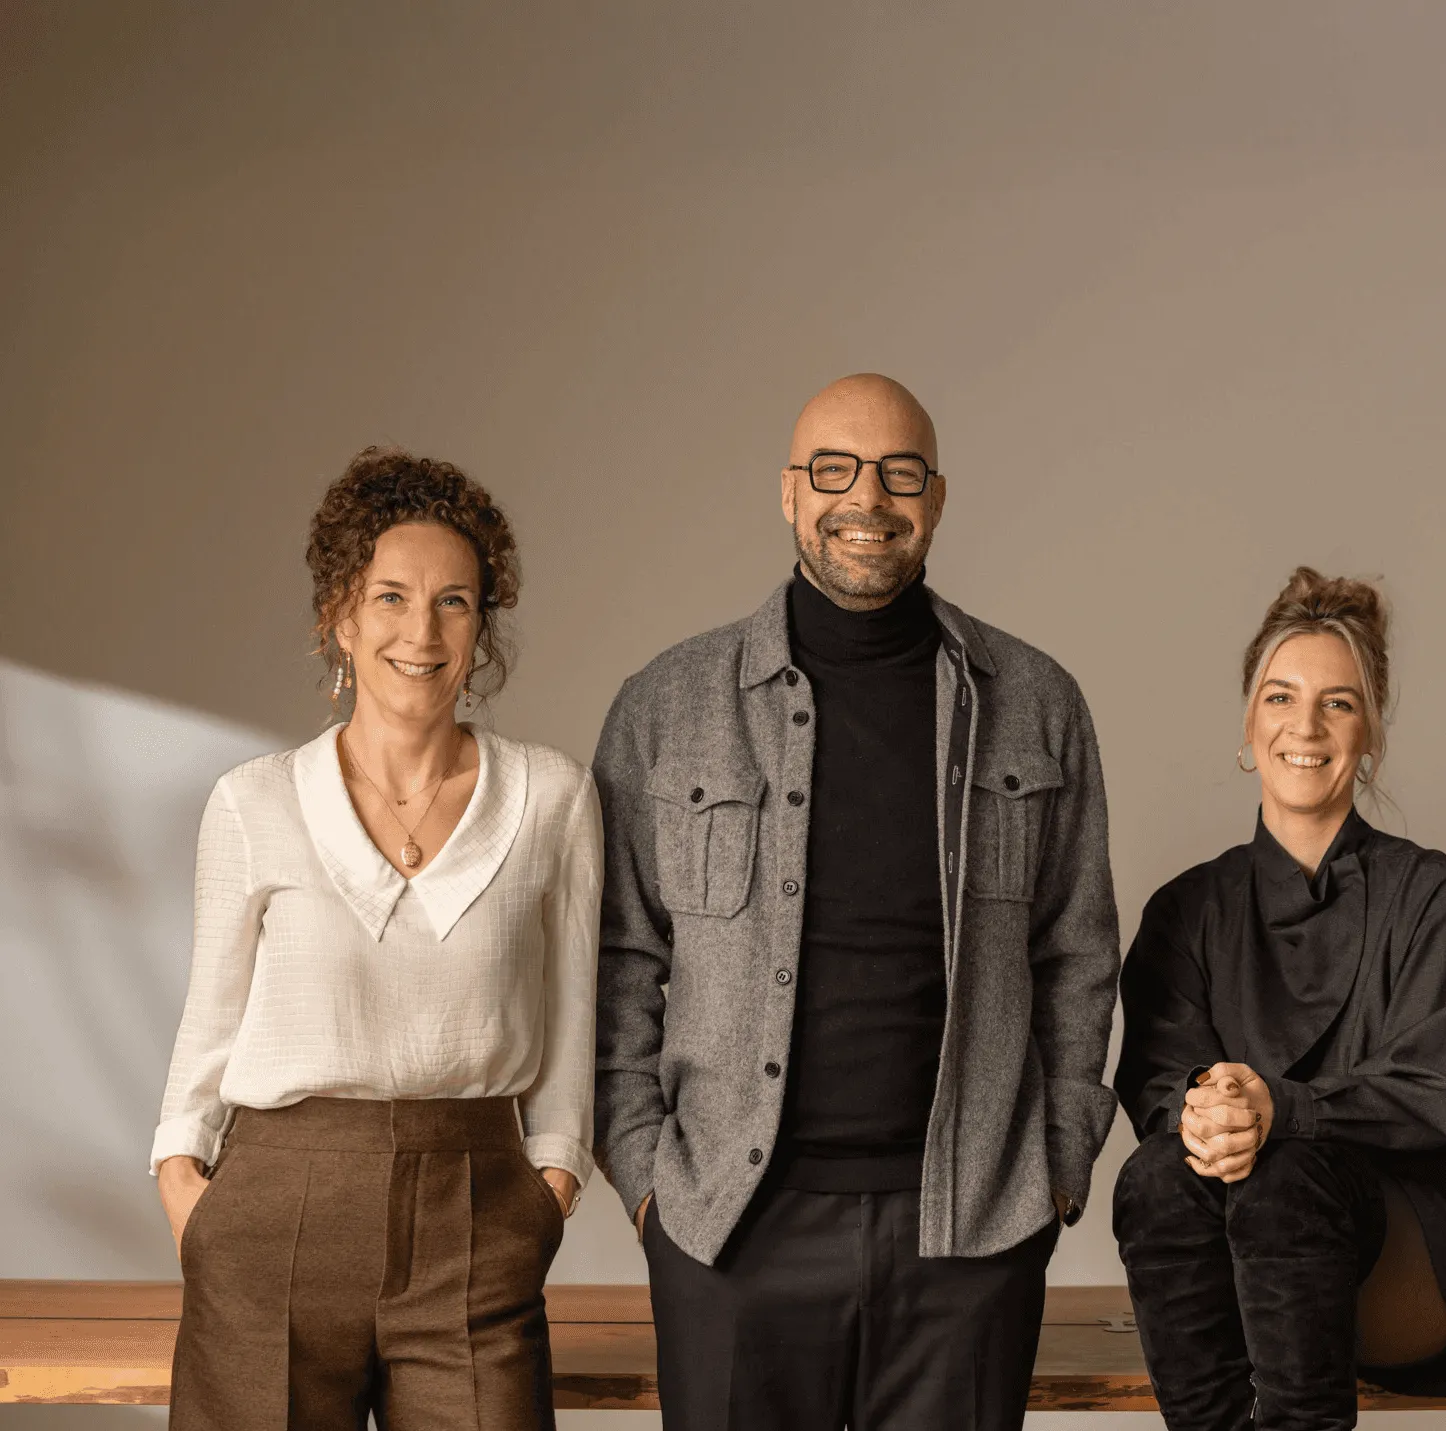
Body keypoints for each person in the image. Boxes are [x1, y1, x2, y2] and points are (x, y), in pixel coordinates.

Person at [591, 373, 1121, 1430]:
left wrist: (1057, 1168)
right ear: (788, 492)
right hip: (732, 1232)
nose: (865, 500)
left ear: (935, 495)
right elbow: (616, 958)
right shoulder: (667, 705)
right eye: (832, 469)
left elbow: (1077, 950)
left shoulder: (1034, 701)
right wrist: (649, 1181)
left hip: (968, 1231)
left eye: (898, 471)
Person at [151, 448, 601, 1431]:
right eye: (390, 597)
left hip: (478, 1217)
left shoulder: (553, 799)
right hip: (274, 1216)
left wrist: (553, 1180)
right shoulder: (252, 804)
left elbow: (574, 1018)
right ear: (340, 617)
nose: (421, 631)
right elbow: (210, 1019)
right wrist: (187, 1185)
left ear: (482, 624)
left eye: (454, 601)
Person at [1112, 567, 1446, 1430]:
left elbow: (1437, 1096)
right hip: (1238, 1247)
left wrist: (1277, 1106)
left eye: (1338, 703)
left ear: (1370, 734)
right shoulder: (1186, 908)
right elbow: (1154, 1078)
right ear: (1247, 726)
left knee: (1288, 1175)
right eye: (1280, 697)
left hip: (1416, 1255)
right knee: (1154, 1175)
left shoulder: (1441, 899)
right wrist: (1206, 1107)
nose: (1305, 725)